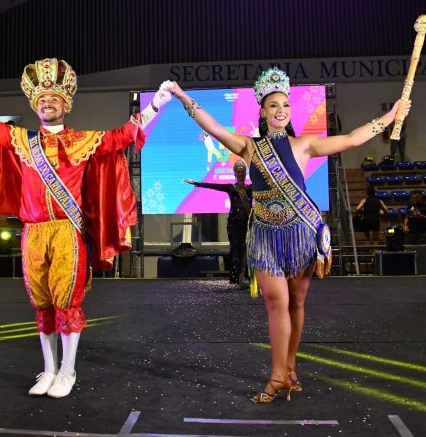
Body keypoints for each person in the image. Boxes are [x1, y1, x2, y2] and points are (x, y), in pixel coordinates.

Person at [166, 68, 407, 403]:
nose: (281, 110)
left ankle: (289, 368)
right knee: (276, 302)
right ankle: (278, 375)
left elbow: (352, 139)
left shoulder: (304, 144)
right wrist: (182, 96)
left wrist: (391, 116)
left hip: (300, 235)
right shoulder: (249, 147)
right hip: (264, 237)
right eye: (273, 105)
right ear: (263, 112)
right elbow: (214, 127)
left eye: (285, 105)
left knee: (296, 302)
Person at [0, 57, 164, 399]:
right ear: (34, 105)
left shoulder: (84, 141)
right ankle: (49, 369)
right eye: (42, 99)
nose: (48, 102)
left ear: (66, 104)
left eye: (55, 98)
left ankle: (68, 371)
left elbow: (121, 137)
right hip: (33, 233)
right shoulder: (20, 140)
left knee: (66, 301)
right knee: (42, 304)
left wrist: (155, 105)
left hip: (67, 232)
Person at [184, 160, 253, 285]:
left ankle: (245, 275)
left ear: (245, 173)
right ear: (235, 173)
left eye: (242, 172)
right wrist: (197, 183)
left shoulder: (250, 188)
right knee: (235, 248)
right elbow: (213, 186)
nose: (241, 174)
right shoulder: (231, 188)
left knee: (247, 248)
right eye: (238, 172)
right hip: (234, 223)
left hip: (247, 222)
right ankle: (235, 276)